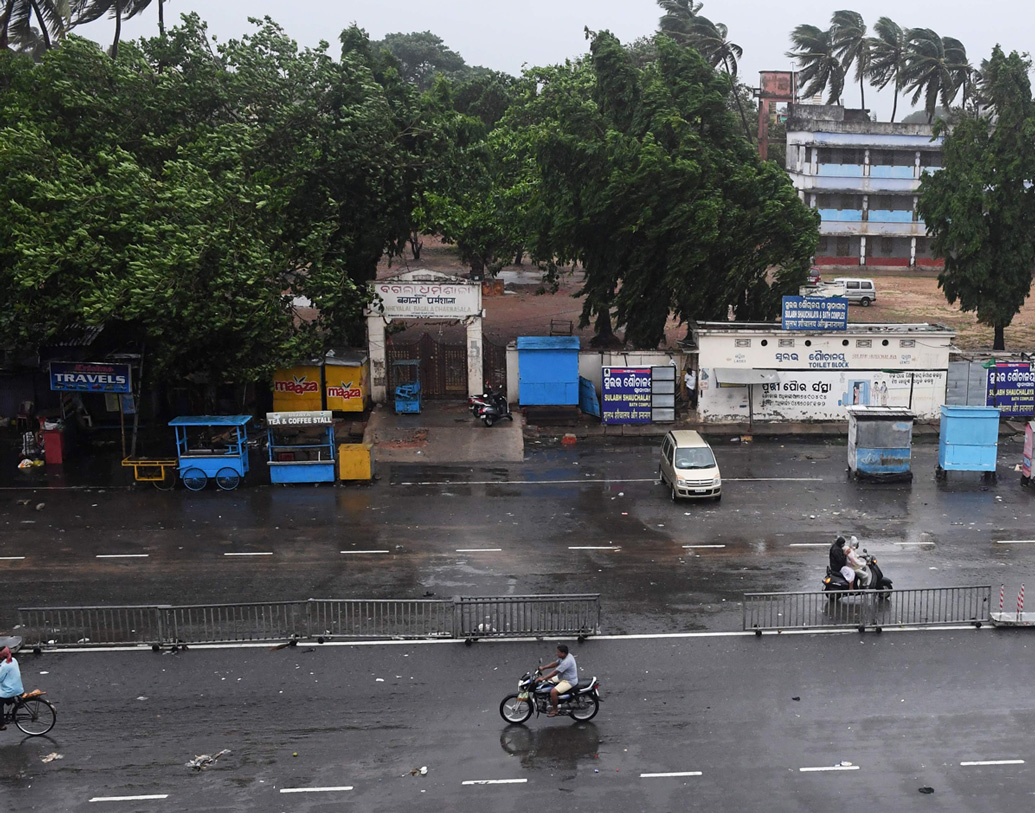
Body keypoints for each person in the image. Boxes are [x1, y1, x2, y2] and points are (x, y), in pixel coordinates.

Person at [538, 644, 578, 717]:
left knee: (553, 692)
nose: (557, 653)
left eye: (558, 652)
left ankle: (555, 710)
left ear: (563, 653)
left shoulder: (566, 662)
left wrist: (543, 678)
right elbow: (555, 663)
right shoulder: (565, 656)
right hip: (562, 677)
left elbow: (555, 672)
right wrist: (544, 668)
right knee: (548, 682)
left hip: (569, 681)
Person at [0, 646, 24, 731]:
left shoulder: (4, 666)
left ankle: (1, 725)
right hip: (17, 687)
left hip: (10, 689)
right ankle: (12, 701)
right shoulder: (13, 660)